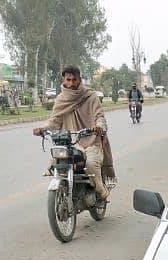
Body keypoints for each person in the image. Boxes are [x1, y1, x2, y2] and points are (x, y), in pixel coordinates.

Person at [33, 65, 116, 200]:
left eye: (74, 80)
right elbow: (55, 120)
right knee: (53, 163)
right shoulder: (61, 99)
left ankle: (102, 190)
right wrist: (42, 128)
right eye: (68, 80)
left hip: (90, 142)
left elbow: (99, 116)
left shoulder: (90, 96)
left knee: (91, 165)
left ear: (79, 79)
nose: (71, 83)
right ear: (64, 80)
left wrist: (99, 126)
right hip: (69, 143)